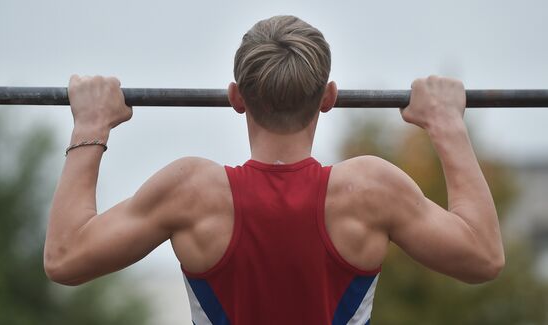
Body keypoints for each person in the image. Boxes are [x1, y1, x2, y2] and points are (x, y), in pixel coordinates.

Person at [43, 15, 505, 324]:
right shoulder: (370, 190)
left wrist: (90, 125)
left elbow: (64, 258)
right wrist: (447, 125)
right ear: (328, 99)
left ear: (236, 98)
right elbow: (483, 256)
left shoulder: (191, 191)